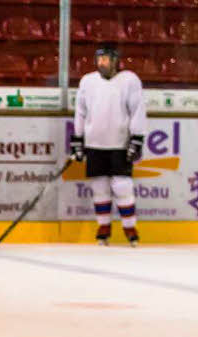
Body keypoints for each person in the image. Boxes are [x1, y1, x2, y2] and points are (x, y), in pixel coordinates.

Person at [71, 43, 147, 246]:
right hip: (95, 143)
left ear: (115, 61)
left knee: (122, 186)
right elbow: (80, 112)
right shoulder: (87, 81)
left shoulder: (129, 80)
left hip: (119, 144)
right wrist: (77, 139)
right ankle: (103, 227)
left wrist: (137, 138)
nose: (101, 63)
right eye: (99, 59)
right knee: (99, 186)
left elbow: (137, 111)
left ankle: (130, 228)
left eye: (106, 59)